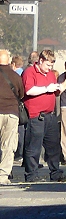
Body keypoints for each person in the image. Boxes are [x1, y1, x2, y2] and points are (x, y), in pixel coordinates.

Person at [22, 48, 66, 182]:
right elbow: (29, 90)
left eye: (51, 66)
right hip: (36, 116)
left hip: (50, 116)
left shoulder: (50, 74)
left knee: (53, 146)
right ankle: (31, 175)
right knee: (34, 148)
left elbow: (57, 91)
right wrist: (46, 89)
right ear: (41, 60)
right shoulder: (29, 72)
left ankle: (55, 172)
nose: (49, 68)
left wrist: (64, 81)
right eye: (48, 65)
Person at [0, 49, 25, 184]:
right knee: (8, 145)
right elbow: (21, 94)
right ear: (9, 61)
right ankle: (3, 176)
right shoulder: (15, 76)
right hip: (11, 113)